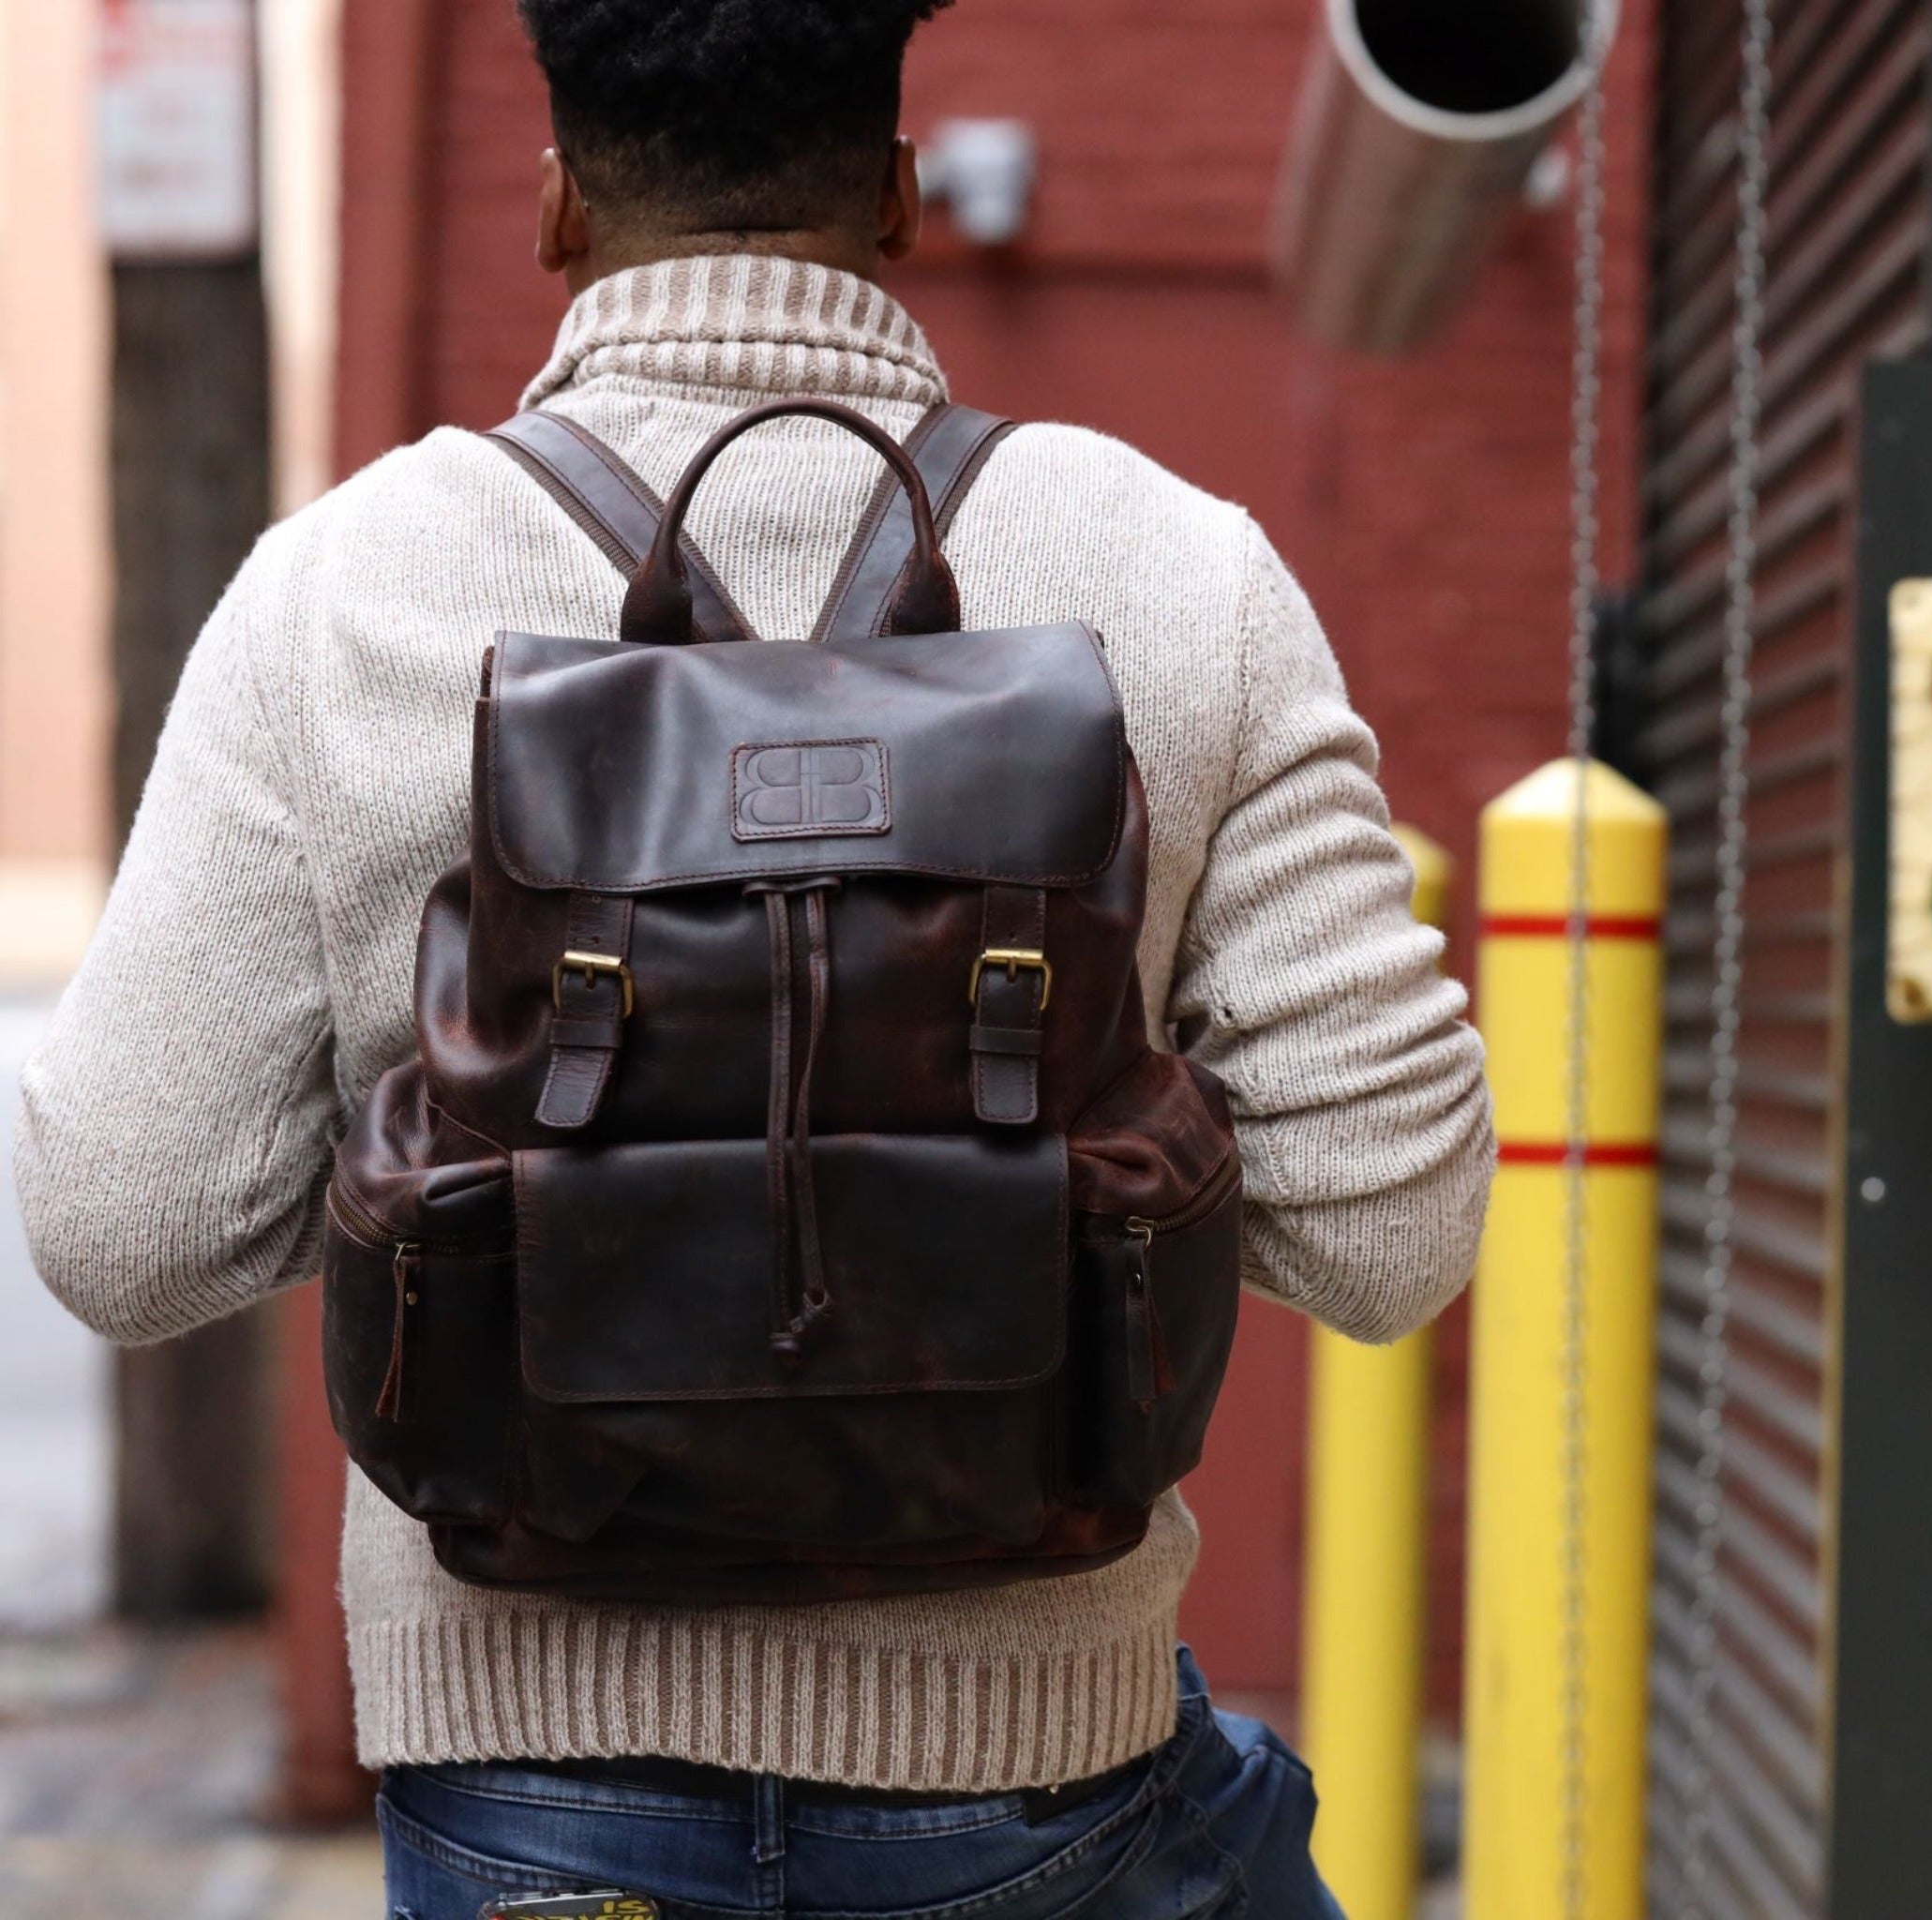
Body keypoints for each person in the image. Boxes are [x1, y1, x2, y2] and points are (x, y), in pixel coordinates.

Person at [13, 2, 1492, 1913]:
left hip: (529, 1802)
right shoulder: (1178, 570)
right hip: (1039, 1775)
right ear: (896, 192)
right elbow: (1394, 1234)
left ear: (553, 205)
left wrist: (529, 1187)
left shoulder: (342, 592)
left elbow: (124, 1228)